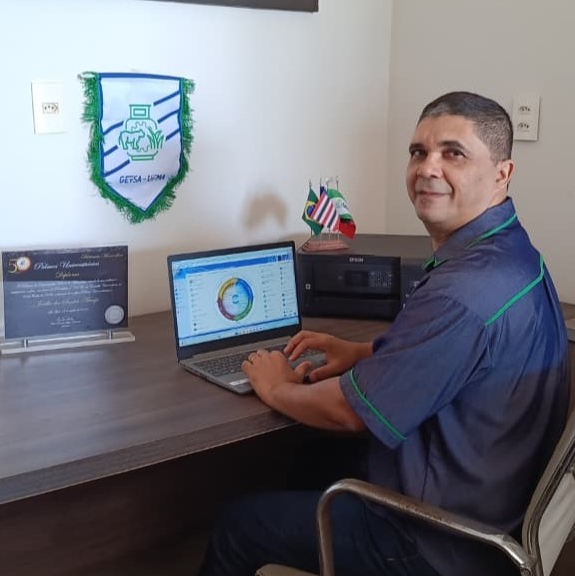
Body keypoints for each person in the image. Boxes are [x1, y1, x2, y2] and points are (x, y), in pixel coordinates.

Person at [197, 91, 570, 576]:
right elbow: (463, 356)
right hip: (490, 502)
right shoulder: (513, 255)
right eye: (418, 151)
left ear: (503, 173)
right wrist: (362, 352)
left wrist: (276, 387)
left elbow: (348, 412)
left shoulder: (463, 292)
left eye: (453, 153)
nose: (428, 168)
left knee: (237, 524)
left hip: (435, 543)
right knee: (308, 459)